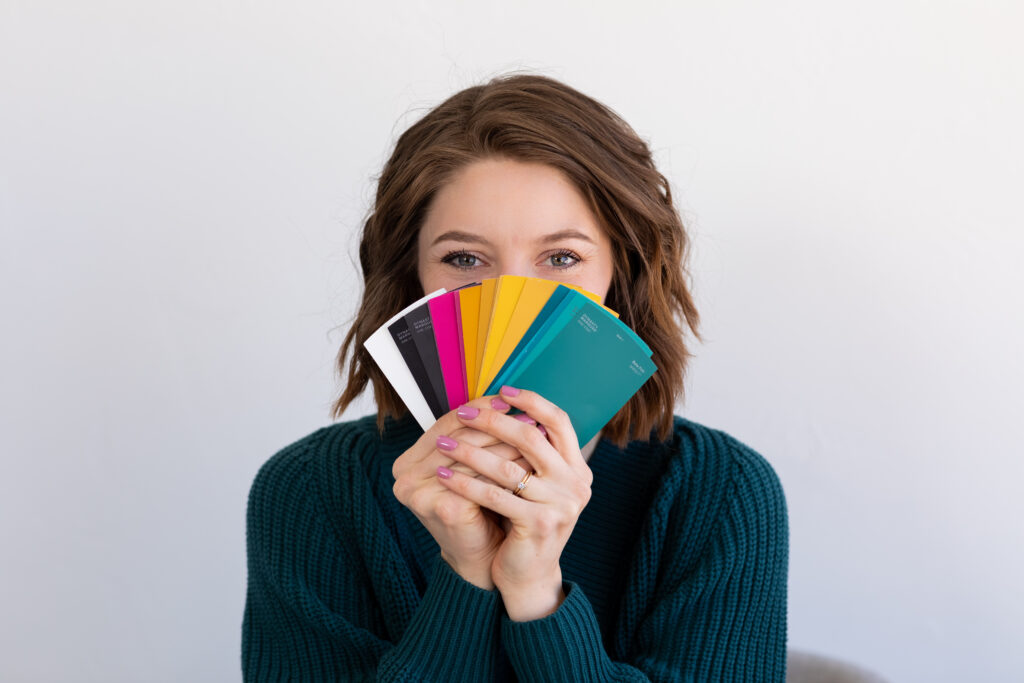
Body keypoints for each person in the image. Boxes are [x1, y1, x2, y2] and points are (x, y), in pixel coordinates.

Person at [242, 73, 789, 682]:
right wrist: (466, 570)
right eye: (464, 259)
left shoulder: (721, 492)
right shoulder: (311, 491)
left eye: (561, 259)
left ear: (620, 272)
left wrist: (536, 593)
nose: (512, 298)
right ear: (411, 277)